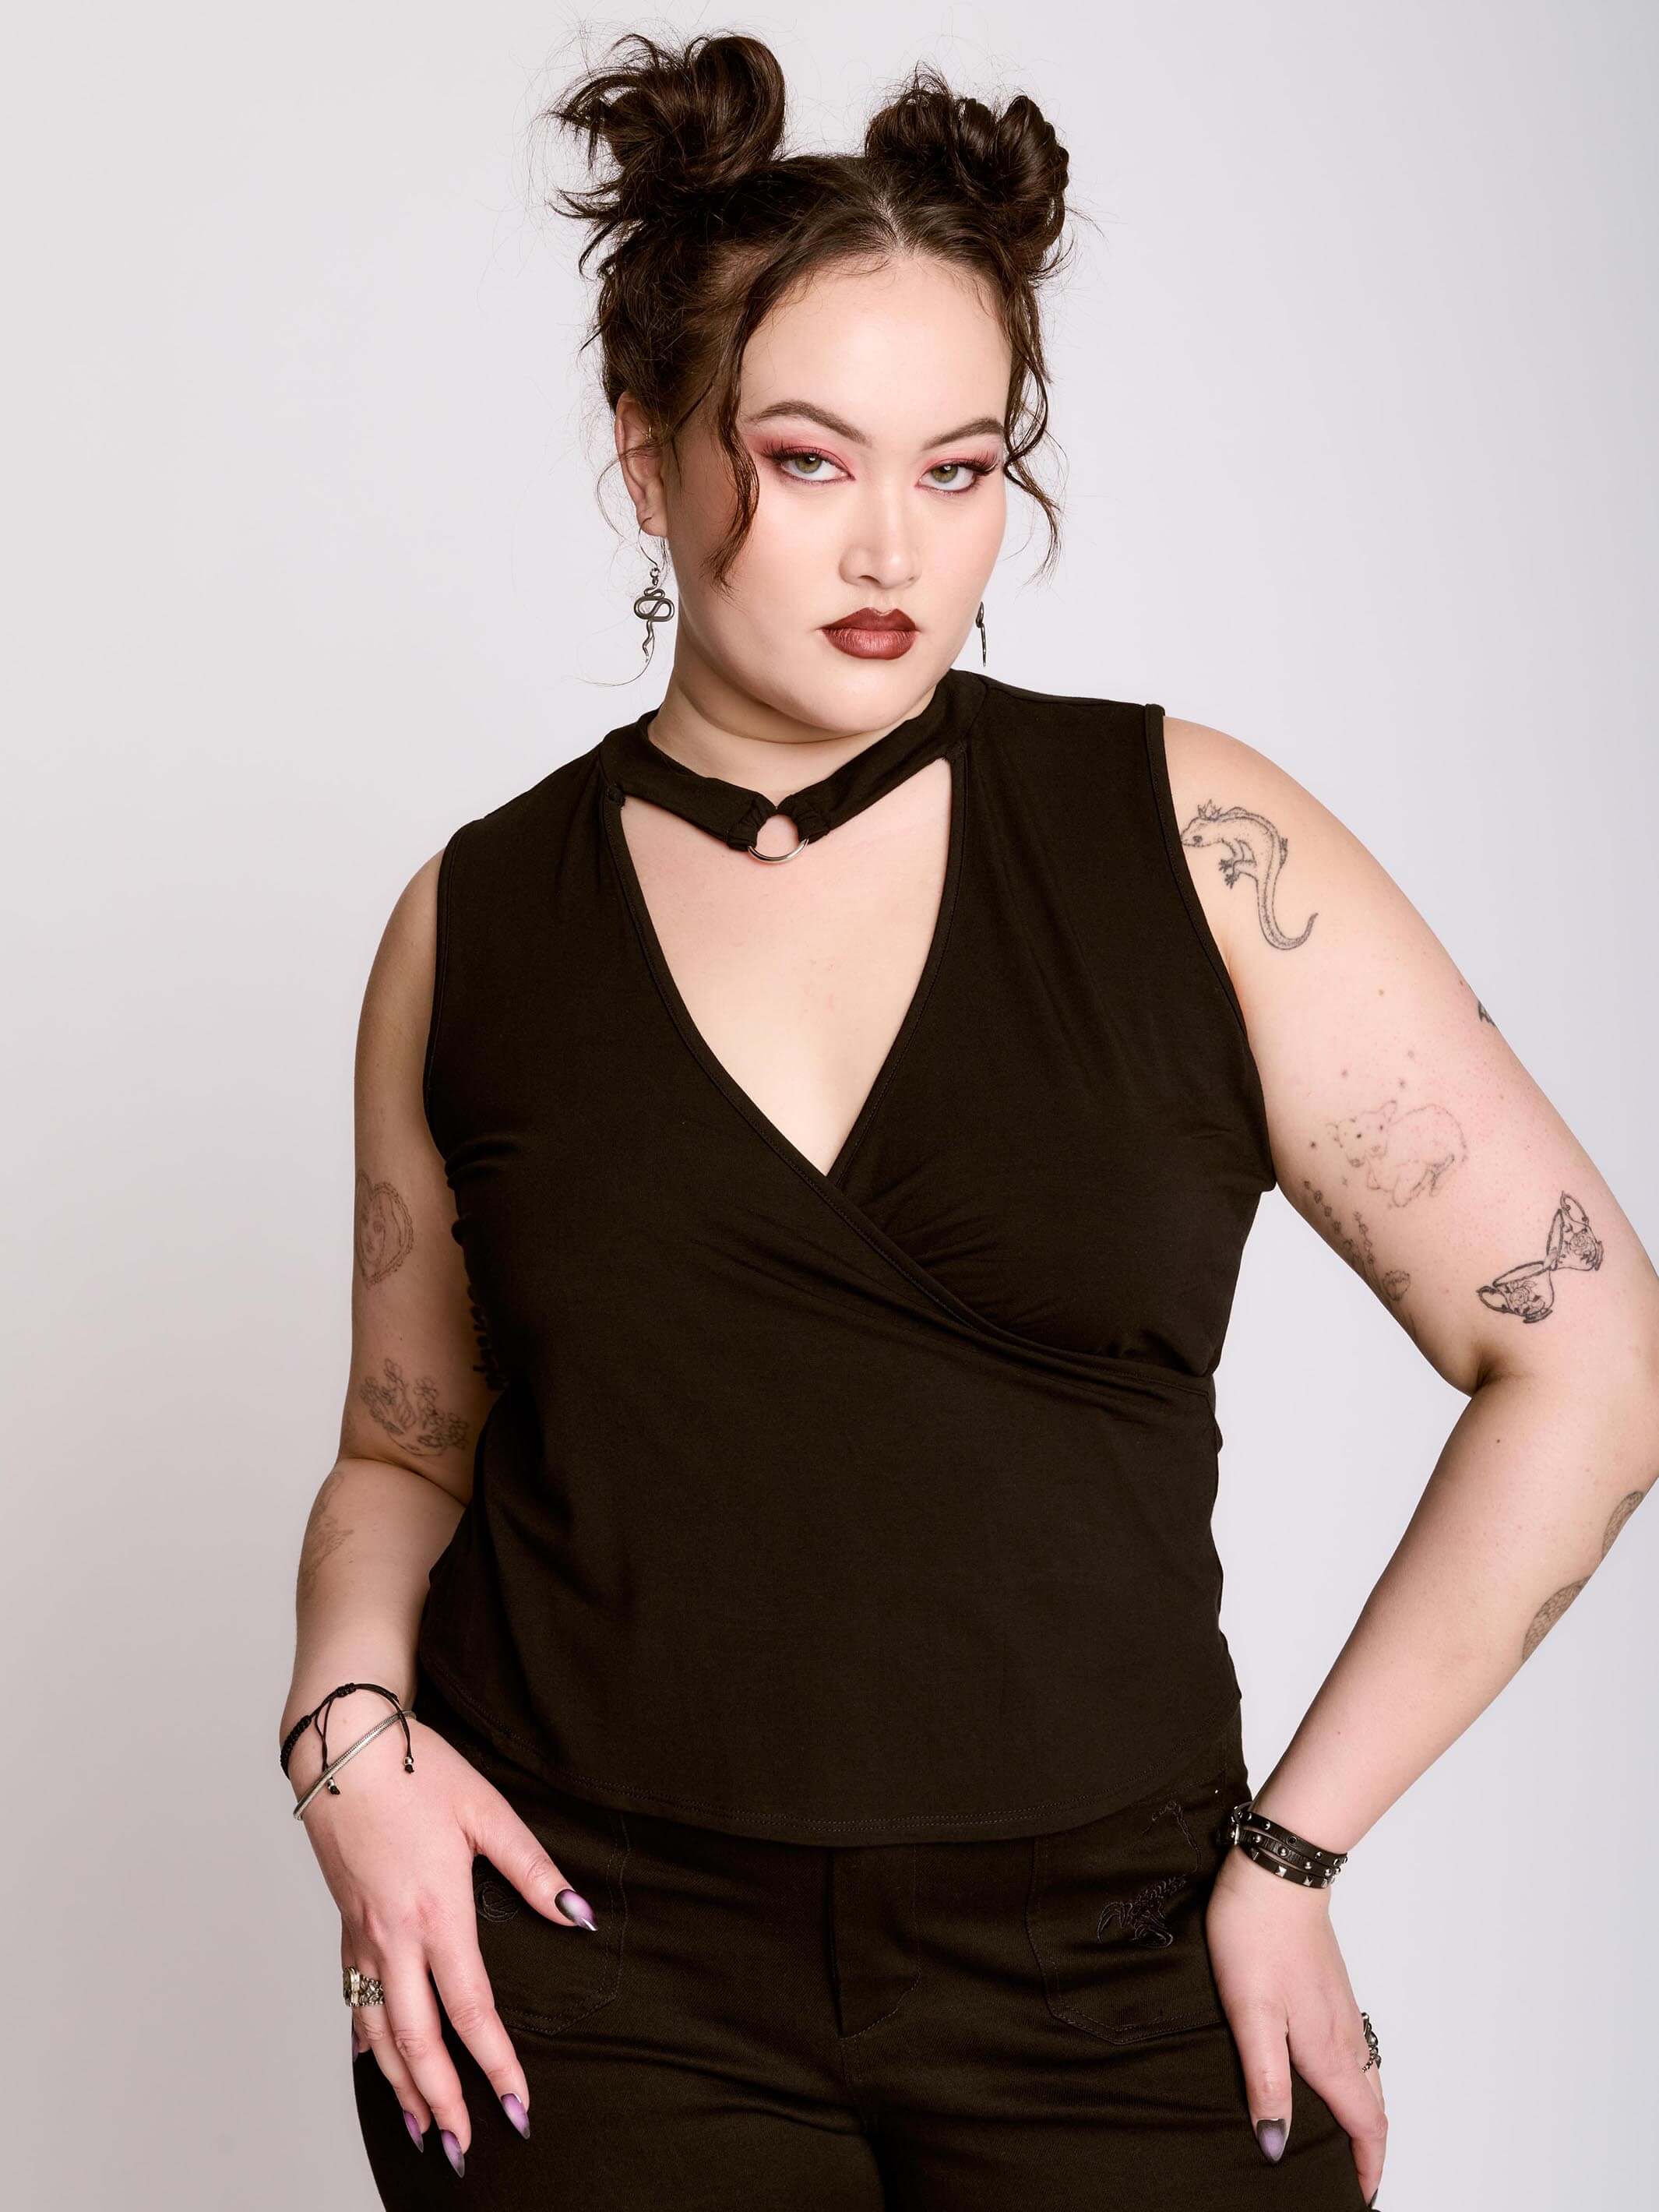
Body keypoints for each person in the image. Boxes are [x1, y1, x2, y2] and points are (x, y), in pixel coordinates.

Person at [276, 30, 1659, 2211]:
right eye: (808, 458)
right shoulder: (476, 922)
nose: (893, 547)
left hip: (1118, 1965)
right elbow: (403, 1453)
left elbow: (1587, 1356)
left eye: (960, 467)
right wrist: (346, 1744)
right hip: (591, 1975)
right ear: (645, 451)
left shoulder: (1194, 846)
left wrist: (1293, 1853)